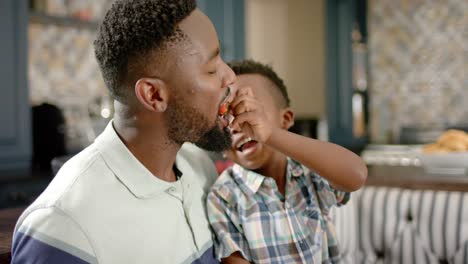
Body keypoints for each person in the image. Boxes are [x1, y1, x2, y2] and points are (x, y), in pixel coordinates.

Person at [11, 0, 239, 263]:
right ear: (153, 95)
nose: (230, 76)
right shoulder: (65, 228)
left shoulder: (199, 167)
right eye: (212, 69)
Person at [206, 59, 368, 264]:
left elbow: (356, 175)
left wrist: (270, 134)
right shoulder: (223, 197)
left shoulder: (310, 170)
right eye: (225, 116)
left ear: (286, 119)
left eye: (250, 110)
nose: (238, 124)